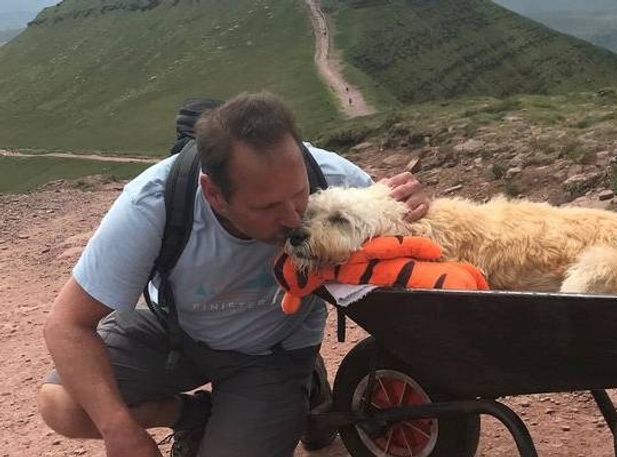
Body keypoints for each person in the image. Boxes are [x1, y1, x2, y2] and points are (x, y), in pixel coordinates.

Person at [36, 92, 431, 457]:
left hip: (273, 351)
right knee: (64, 406)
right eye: (267, 207)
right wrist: (120, 430)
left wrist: (416, 209)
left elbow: (418, 241)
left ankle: (303, 386)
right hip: (178, 335)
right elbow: (66, 324)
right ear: (214, 194)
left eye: (299, 194)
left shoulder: (332, 176)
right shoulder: (153, 202)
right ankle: (191, 415)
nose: (293, 219)